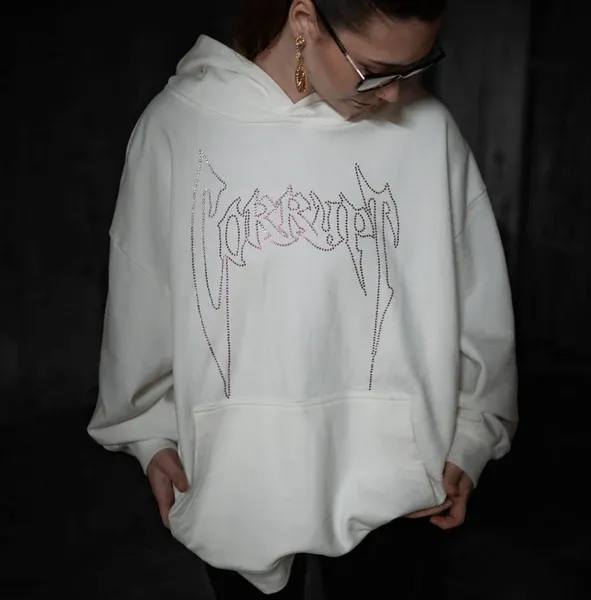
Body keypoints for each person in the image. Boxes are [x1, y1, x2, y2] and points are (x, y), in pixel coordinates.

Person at [87, 0, 518, 598]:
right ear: (304, 21)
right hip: (238, 481)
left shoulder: (429, 133)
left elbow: (478, 298)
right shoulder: (179, 126)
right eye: (373, 70)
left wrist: (472, 437)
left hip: (401, 482)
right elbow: (143, 294)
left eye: (414, 68)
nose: (394, 94)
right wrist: (150, 436)